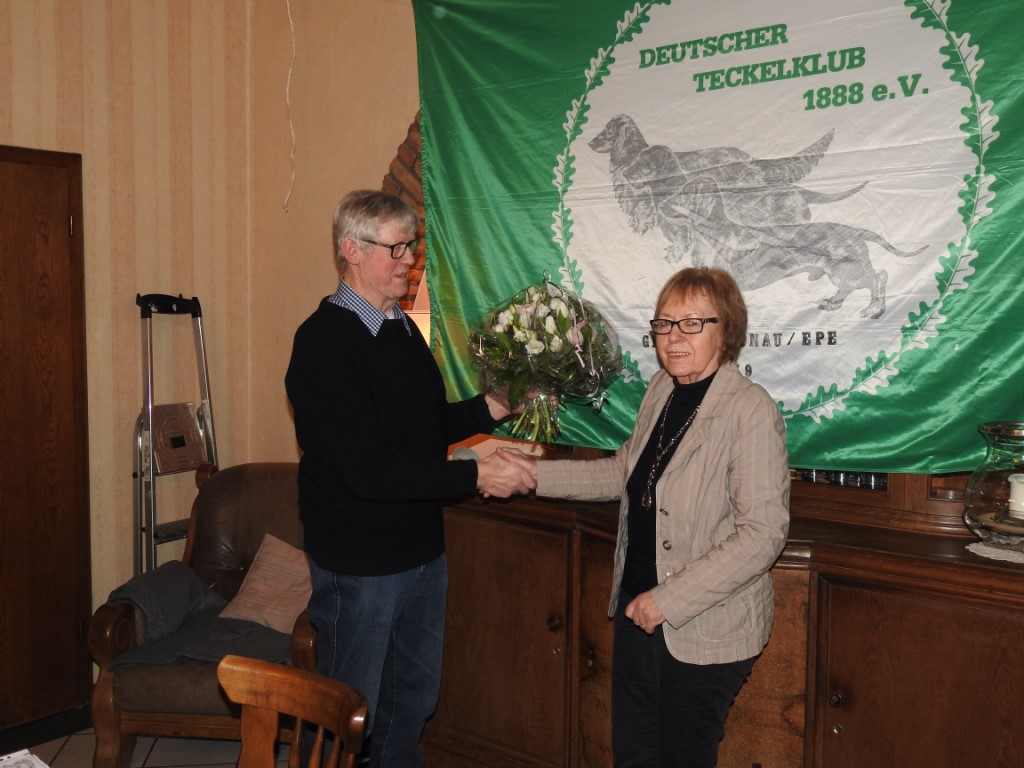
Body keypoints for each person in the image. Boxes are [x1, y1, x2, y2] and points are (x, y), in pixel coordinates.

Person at [285, 189, 534, 767]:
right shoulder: (322, 344)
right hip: (362, 563)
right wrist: (475, 475)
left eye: (411, 246)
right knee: (347, 712)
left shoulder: (399, 327)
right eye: (395, 248)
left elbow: (423, 428)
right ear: (351, 250)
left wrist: (491, 407)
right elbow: (370, 471)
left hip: (421, 552)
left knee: (411, 702)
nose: (409, 260)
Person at [502, 266, 789, 767]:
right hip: (638, 612)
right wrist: (532, 474)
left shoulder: (750, 410)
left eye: (692, 323)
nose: (674, 337)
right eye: (664, 324)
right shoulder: (662, 388)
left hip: (703, 625)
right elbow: (622, 473)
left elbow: (762, 535)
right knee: (633, 754)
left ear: (726, 333)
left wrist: (668, 600)